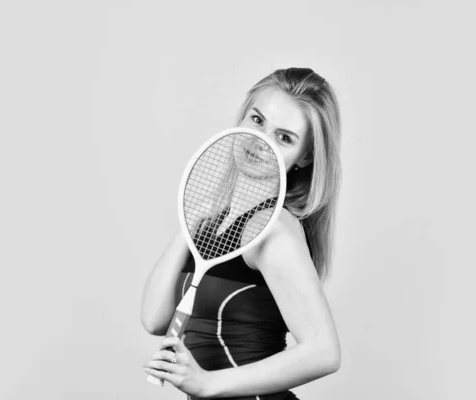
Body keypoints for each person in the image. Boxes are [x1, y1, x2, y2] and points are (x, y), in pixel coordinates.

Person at [141, 67, 342, 400]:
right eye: (258, 120)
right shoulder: (216, 223)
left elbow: (325, 352)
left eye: (284, 137)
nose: (259, 141)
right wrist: (188, 225)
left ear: (304, 156)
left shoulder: (273, 230)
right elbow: (153, 320)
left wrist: (207, 384)